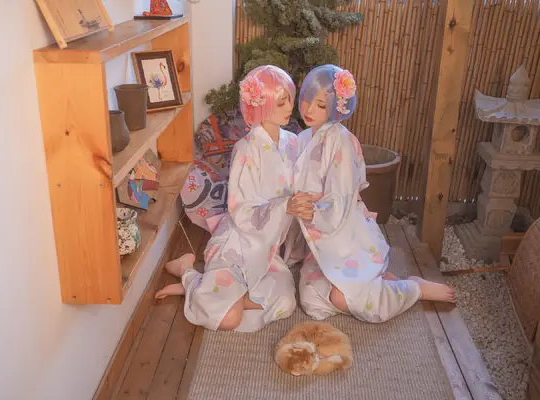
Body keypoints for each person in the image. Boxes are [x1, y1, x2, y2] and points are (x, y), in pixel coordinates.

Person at [289, 64, 456, 323]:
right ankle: (377, 282)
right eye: (306, 100)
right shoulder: (302, 139)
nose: (309, 110)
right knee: (312, 302)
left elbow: (341, 199)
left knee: (347, 300)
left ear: (337, 107)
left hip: (345, 234)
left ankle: (412, 288)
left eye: (320, 105)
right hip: (320, 241)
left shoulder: (342, 141)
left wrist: (312, 210)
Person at [154, 65, 312, 332]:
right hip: (237, 244)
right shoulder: (245, 150)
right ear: (261, 106)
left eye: (290, 100)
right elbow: (241, 211)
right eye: (281, 102)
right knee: (229, 320)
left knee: (285, 302)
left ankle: (210, 294)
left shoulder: (293, 143)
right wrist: (285, 206)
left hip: (268, 248)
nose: (290, 108)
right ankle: (188, 274)